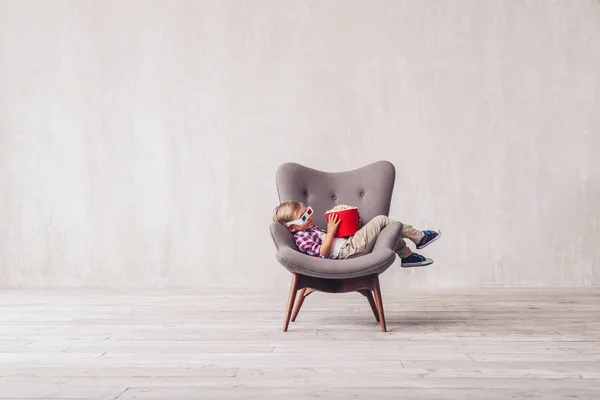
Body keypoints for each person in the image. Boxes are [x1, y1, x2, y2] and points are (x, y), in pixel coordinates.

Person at [272, 201, 441, 267]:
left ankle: (407, 256)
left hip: (349, 244)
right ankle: (419, 237)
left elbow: (337, 239)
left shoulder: (310, 229)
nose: (309, 217)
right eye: (303, 217)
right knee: (382, 220)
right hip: (346, 253)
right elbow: (323, 253)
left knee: (386, 230)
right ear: (292, 228)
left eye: (308, 212)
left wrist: (353, 222)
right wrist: (330, 232)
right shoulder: (301, 238)